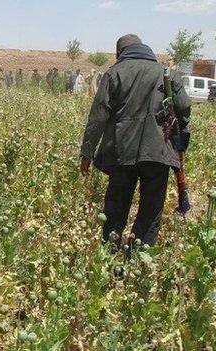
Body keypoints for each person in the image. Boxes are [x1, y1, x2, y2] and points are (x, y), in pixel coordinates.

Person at [79, 34, 192, 254]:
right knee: (150, 212)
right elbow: (184, 106)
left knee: (115, 207)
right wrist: (181, 144)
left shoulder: (114, 73)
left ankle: (109, 257)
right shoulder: (166, 73)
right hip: (158, 152)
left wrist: (87, 152)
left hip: (122, 153)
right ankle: (138, 261)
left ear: (120, 53)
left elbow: (98, 115)